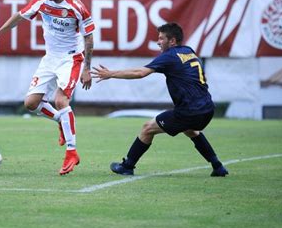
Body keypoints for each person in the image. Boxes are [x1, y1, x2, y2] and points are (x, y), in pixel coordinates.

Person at [0, 0, 94, 175]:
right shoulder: (41, 1)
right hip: (49, 58)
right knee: (31, 104)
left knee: (61, 101)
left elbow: (89, 38)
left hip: (71, 59)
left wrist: (87, 68)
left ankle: (72, 151)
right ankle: (61, 120)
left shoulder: (76, 7)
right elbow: (19, 17)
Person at [91, 22, 228, 177]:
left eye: (161, 38)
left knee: (147, 128)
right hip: (208, 108)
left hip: (190, 110)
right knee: (190, 130)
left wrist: (111, 74)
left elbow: (140, 72)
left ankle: (127, 166)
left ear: (173, 41)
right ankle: (218, 166)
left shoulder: (169, 56)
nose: (158, 42)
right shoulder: (188, 51)